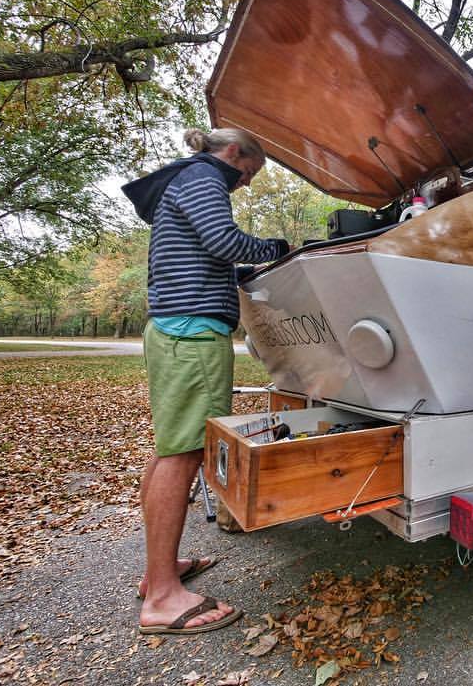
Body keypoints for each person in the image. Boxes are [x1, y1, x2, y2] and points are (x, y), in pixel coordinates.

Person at [122, 127, 290, 635]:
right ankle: (164, 600)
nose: (244, 183)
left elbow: (206, 252)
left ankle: (159, 574)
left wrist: (231, 274)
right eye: (250, 173)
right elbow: (221, 241)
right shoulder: (203, 176)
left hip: (177, 326)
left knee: (170, 448)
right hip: (192, 331)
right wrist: (275, 249)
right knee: (185, 452)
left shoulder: (185, 181)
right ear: (236, 153)